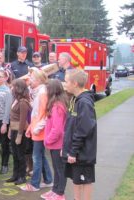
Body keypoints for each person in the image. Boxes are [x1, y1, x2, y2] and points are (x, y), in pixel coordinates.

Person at [62, 69, 97, 200]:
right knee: (76, 179)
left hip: (82, 153)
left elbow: (83, 129)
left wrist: (73, 151)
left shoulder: (84, 102)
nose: (65, 84)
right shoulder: (75, 100)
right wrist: (65, 148)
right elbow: (71, 127)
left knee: (85, 180)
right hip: (74, 151)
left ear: (75, 83)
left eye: (66, 82)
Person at [22, 68, 53, 192]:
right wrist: (31, 127)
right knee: (41, 156)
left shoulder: (42, 93)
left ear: (39, 80)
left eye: (32, 78)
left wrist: (36, 128)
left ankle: (34, 184)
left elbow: (46, 115)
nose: (30, 80)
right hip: (37, 130)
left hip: (40, 131)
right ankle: (48, 180)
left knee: (36, 157)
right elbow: (36, 114)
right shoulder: (38, 92)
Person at [40, 79, 68, 200]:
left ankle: (60, 193)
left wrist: (47, 140)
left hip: (57, 144)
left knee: (60, 170)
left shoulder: (57, 107)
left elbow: (57, 129)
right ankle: (55, 190)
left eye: (47, 89)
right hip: (55, 144)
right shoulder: (57, 104)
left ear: (52, 90)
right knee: (56, 169)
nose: (45, 91)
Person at [6, 79, 31, 185]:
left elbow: (22, 120)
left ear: (18, 88)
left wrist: (19, 135)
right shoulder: (16, 100)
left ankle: (22, 176)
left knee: (20, 155)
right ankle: (15, 175)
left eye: (13, 86)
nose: (11, 88)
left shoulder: (23, 102)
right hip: (13, 129)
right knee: (15, 154)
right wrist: (9, 130)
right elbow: (12, 117)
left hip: (20, 131)